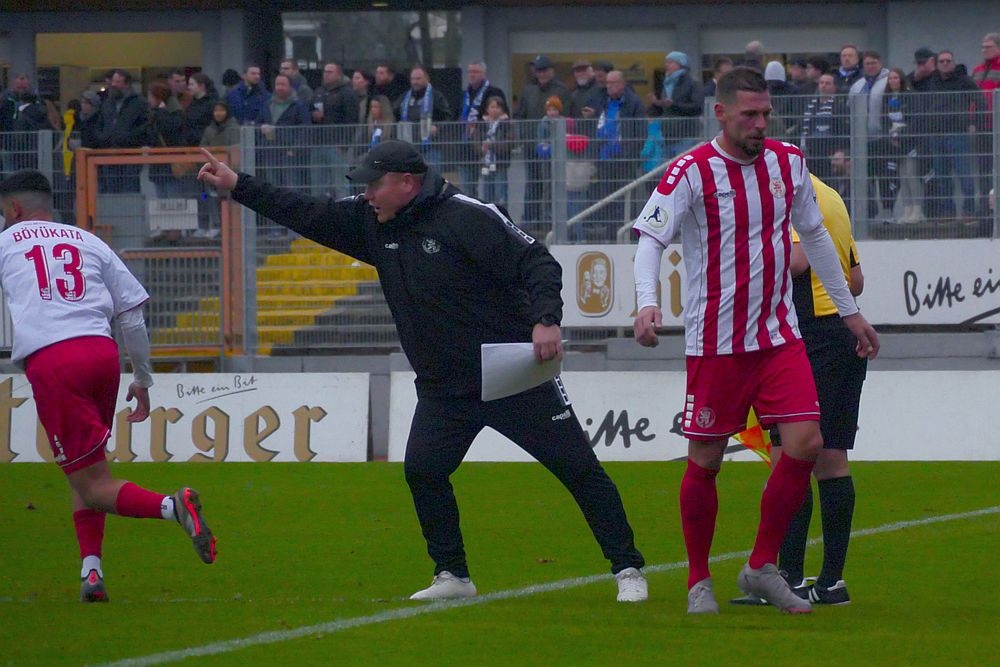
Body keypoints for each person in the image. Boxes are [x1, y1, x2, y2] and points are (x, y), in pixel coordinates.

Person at [197, 139, 648, 603]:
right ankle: (453, 575)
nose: (367, 195)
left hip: (511, 376)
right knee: (424, 471)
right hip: (443, 388)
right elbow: (307, 212)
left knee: (578, 470)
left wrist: (546, 319)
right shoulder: (370, 220)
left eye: (374, 185)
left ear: (407, 183)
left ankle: (627, 568)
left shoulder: (467, 216)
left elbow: (537, 260)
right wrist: (237, 185)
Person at [631, 67, 879, 615]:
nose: (760, 123)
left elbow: (814, 236)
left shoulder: (788, 162)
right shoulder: (691, 171)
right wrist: (647, 300)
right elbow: (649, 239)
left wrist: (850, 313)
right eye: (749, 114)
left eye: (766, 113)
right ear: (721, 113)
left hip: (778, 336)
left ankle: (762, 565)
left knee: (807, 444)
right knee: (706, 460)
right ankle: (699, 579)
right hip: (716, 342)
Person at [0, 170, 217, 602]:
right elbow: (131, 315)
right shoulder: (89, 241)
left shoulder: (6, 242)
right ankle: (92, 572)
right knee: (86, 471)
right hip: (102, 355)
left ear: (14, 208)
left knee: (93, 484)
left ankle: (173, 507)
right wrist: (142, 378)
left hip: (54, 361)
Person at [730, 173, 867, 608]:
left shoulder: (786, 194)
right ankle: (830, 582)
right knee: (831, 457)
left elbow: (794, 261)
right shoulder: (831, 196)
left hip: (808, 336)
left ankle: (785, 576)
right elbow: (856, 279)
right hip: (841, 334)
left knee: (789, 457)